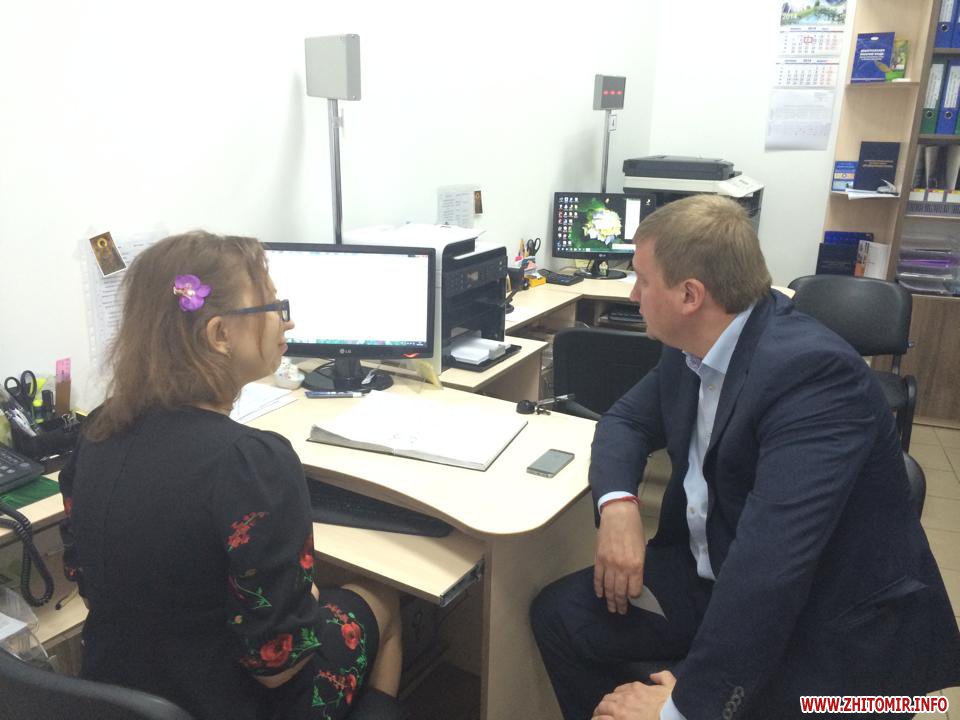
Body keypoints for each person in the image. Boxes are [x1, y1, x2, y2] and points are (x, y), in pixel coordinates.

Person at [530, 195, 960, 720]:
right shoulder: (691, 344)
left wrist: (682, 708)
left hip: (823, 630)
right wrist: (618, 506)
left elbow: (770, 570)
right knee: (559, 617)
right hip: (714, 572)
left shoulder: (814, 377)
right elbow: (626, 421)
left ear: (690, 295)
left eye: (642, 280)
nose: (633, 294)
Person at [58, 231, 403, 720]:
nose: (288, 321)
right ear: (220, 334)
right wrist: (306, 594)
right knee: (382, 598)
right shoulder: (250, 461)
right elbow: (277, 666)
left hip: (118, 694)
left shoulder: (96, 430)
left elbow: (88, 577)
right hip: (233, 702)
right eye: (274, 307)